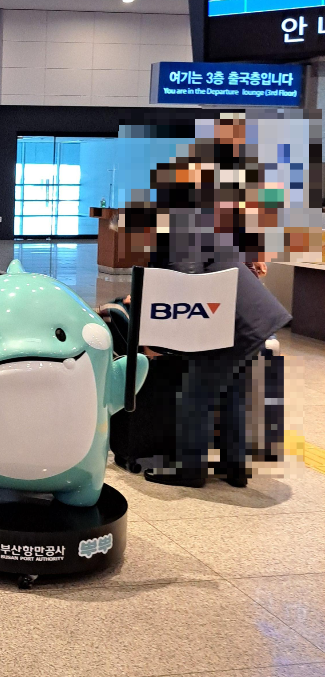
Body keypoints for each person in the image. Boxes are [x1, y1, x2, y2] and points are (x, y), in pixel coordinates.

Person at [131, 114, 291, 489]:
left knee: (197, 391)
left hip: (227, 318)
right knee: (232, 389)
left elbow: (187, 283)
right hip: (250, 315)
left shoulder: (180, 221)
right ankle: (235, 468)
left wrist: (154, 332)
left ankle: (190, 471)